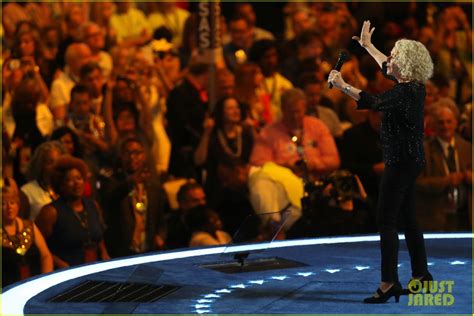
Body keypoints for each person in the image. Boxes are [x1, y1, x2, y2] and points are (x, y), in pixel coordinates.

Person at [328, 20, 434, 303]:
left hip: (399, 162)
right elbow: (386, 66)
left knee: (386, 221)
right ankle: (421, 275)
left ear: (406, 64)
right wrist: (368, 46)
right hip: (411, 160)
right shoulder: (413, 87)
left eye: (395, 56)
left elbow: (373, 102)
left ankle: (389, 283)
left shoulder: (403, 93)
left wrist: (342, 85)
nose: (389, 59)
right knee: (409, 220)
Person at [35, 156, 109, 268]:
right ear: (60, 185)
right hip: (67, 272)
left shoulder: (92, 205)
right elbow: (38, 247)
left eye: (79, 178)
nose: (76, 183)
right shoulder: (51, 212)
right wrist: (62, 265)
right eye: (69, 180)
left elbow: (98, 237)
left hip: (95, 268)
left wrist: (104, 253)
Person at [416, 103, 472, 231]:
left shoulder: (467, 148)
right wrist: (445, 181)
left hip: (466, 217)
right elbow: (416, 182)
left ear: (456, 123)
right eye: (441, 123)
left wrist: (469, 177)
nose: (445, 126)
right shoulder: (424, 150)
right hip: (436, 217)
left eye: (449, 122)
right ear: (434, 126)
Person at [2, 177, 53, 287]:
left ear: (18, 205)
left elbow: (46, 256)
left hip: (35, 286)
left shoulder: (29, 226)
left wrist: (45, 283)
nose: (9, 207)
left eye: (12, 202)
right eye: (3, 204)